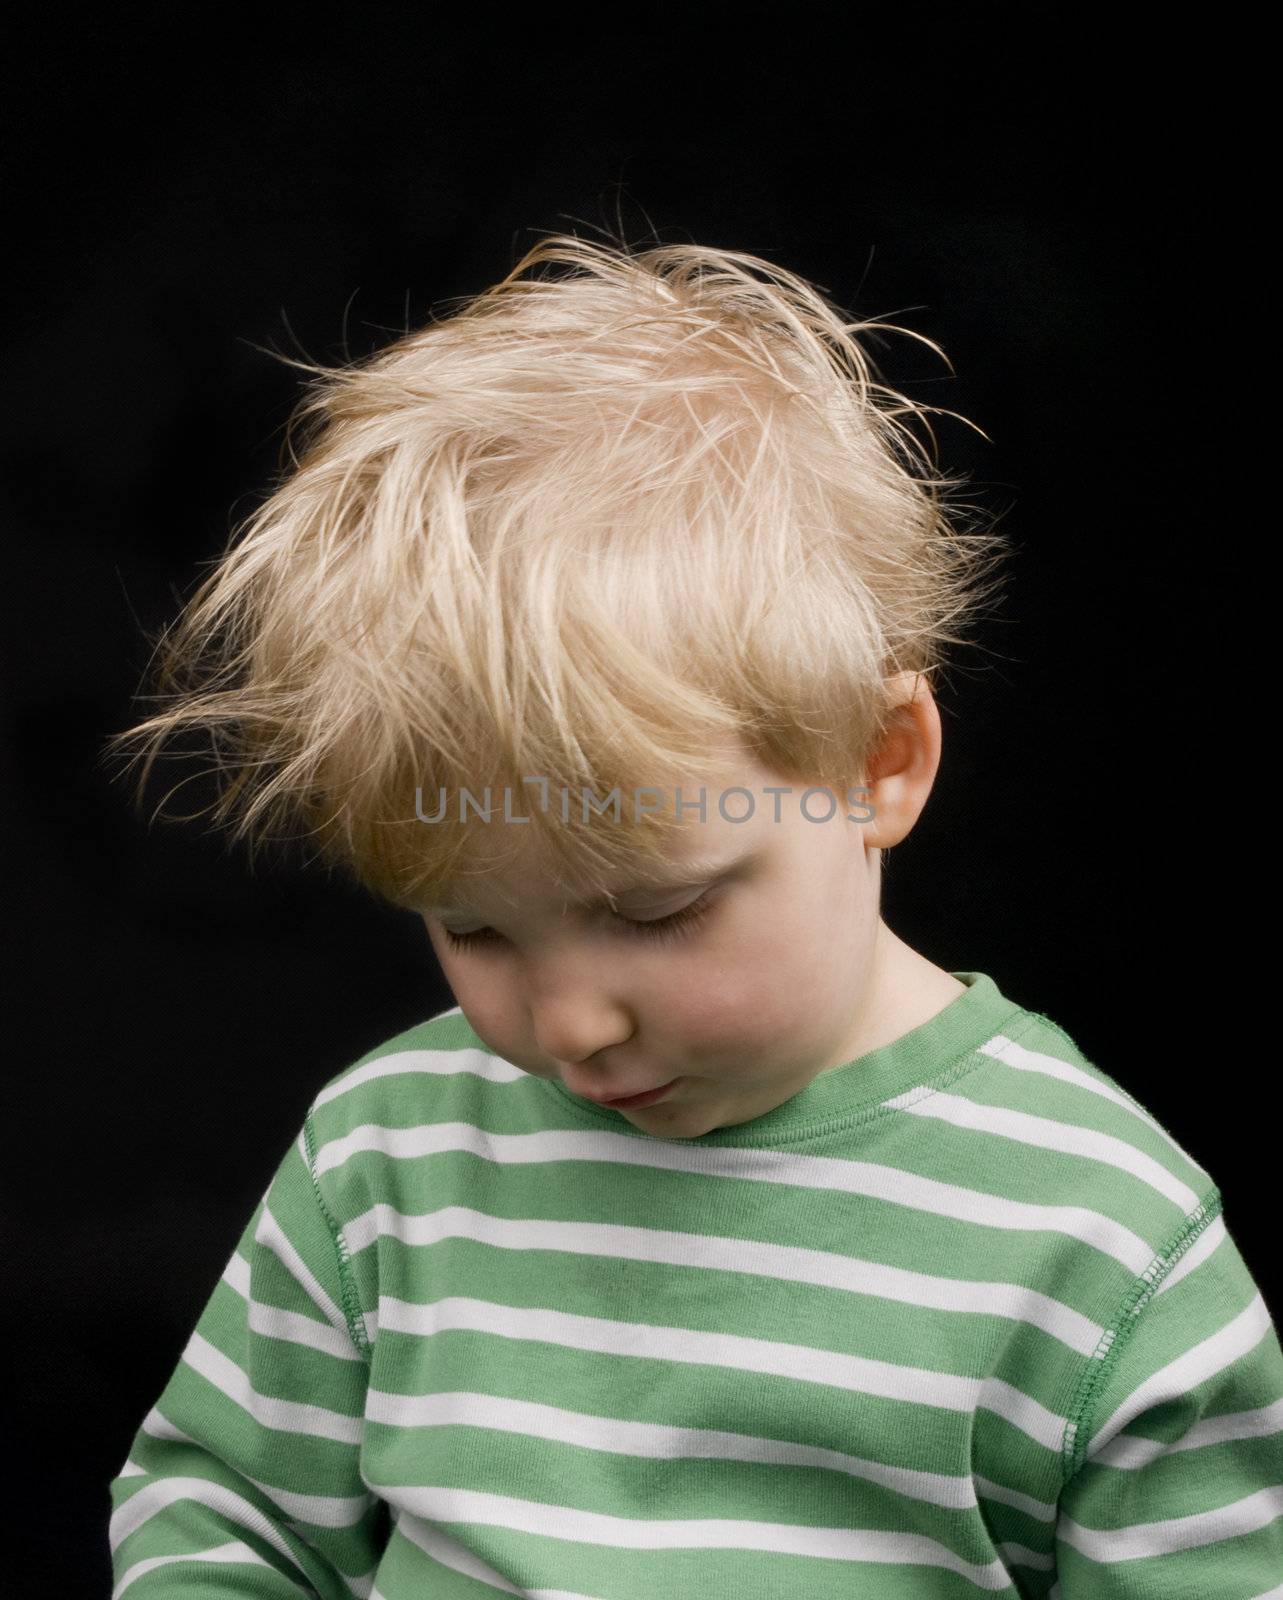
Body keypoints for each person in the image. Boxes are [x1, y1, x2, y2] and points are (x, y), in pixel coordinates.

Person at [103, 230, 1283, 1597]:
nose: (569, 1024)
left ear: (875, 762)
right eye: (473, 929)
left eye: (655, 910)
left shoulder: (1100, 1237)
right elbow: (225, 1510)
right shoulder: (387, 1159)